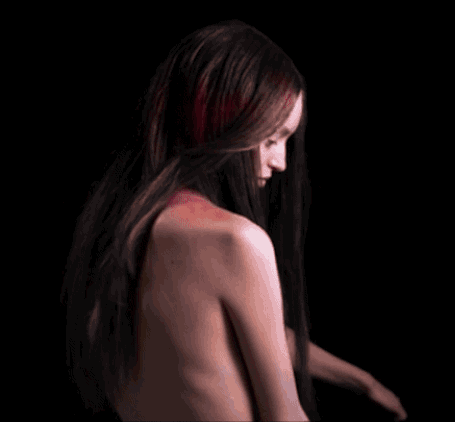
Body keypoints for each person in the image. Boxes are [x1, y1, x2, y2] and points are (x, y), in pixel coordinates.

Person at [59, 20, 407, 421]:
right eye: (271, 138)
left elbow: (260, 332)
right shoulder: (237, 240)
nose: (280, 162)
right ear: (224, 123)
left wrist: (365, 383)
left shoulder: (126, 231)